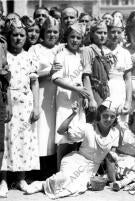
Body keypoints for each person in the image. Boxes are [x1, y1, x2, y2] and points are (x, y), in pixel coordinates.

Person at [24, 98, 120, 198]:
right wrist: (73, 114)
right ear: (99, 114)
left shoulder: (115, 133)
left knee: (77, 187)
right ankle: (42, 184)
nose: (108, 119)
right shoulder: (88, 128)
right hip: (75, 160)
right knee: (64, 178)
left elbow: (111, 158)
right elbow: (60, 131)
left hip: (90, 169)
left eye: (112, 116)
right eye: (105, 115)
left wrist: (114, 181)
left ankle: (46, 185)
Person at [0, 18, 40, 196]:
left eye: (21, 35)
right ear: (9, 37)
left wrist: (36, 106)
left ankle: (21, 178)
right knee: (7, 140)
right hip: (8, 101)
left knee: (24, 140)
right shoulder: (4, 55)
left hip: (26, 103)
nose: (18, 38)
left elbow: (35, 82)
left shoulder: (29, 56)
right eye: (14, 35)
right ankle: (3, 179)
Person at [52, 22, 89, 168]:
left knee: (76, 134)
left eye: (78, 38)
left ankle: (70, 169)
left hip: (77, 98)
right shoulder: (61, 55)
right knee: (63, 136)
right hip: (64, 97)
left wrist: (84, 96)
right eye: (72, 37)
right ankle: (59, 171)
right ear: (66, 37)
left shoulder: (80, 55)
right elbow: (56, 78)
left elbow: (82, 78)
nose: (75, 40)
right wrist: (76, 89)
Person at [28, 17, 61, 167]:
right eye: (49, 31)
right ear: (43, 32)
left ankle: (52, 166)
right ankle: (37, 167)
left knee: (53, 131)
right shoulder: (35, 49)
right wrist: (49, 72)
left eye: (55, 32)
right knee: (41, 131)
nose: (52, 35)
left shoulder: (61, 48)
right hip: (40, 93)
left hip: (58, 95)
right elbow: (30, 74)